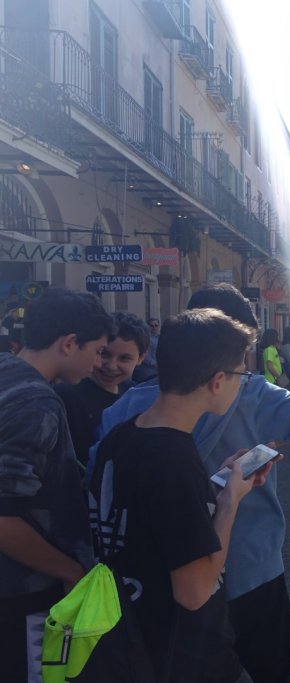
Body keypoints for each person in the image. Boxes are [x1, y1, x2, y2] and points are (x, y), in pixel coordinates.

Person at [93, 284, 290, 683]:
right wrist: (233, 492)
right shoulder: (247, 397)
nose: (243, 375)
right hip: (242, 573)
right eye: (239, 367)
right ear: (220, 375)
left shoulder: (120, 417)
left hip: (143, 592)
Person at [89, 308, 267, 683]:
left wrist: (216, 483)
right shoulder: (174, 460)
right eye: (241, 375)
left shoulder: (121, 436)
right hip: (184, 656)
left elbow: (147, 520)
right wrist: (230, 501)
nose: (241, 383)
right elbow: (195, 590)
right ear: (218, 380)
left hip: (128, 642)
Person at [0, 288, 113, 683]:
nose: (100, 363)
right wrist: (71, 571)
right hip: (21, 594)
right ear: (68, 343)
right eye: (97, 351)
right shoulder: (36, 403)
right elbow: (3, 518)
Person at [57, 311, 150, 467]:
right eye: (104, 354)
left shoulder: (135, 395)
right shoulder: (67, 396)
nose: (111, 366)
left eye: (124, 358)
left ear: (141, 358)